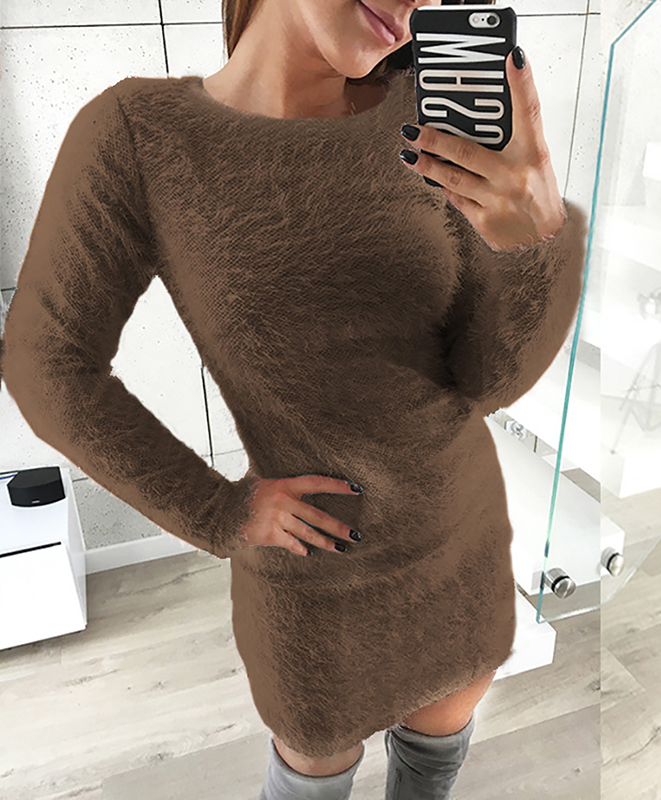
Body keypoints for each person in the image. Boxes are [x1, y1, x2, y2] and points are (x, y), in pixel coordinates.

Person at [0, 0, 588, 798]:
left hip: (460, 542)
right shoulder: (141, 135)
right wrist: (216, 510)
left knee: (433, 766)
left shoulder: (431, 114)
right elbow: (47, 363)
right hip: (313, 584)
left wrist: (537, 240)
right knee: (310, 776)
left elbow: (488, 382)